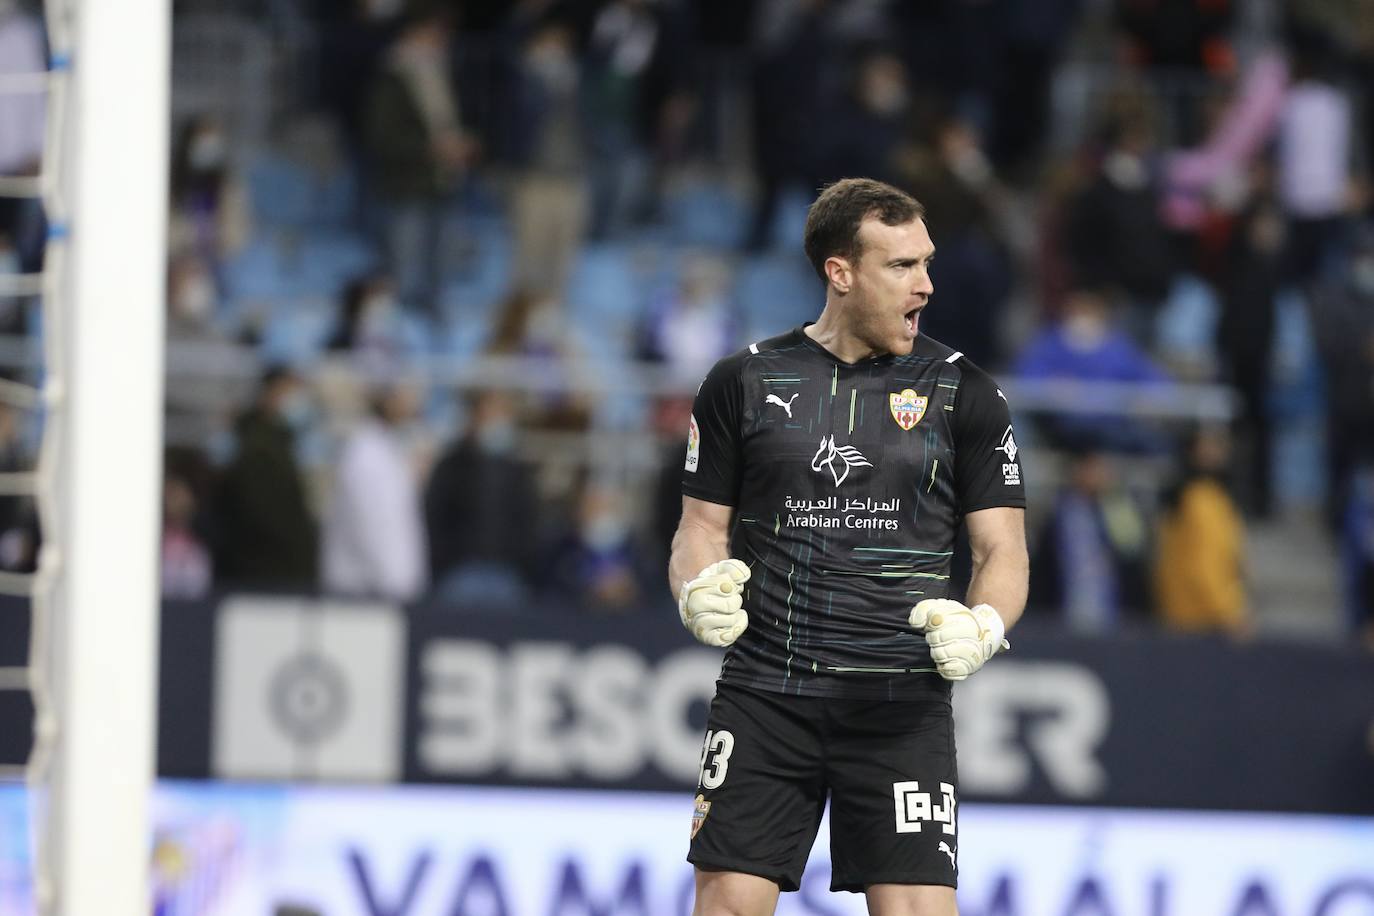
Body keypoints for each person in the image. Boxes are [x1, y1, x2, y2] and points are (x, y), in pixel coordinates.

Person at [669, 178, 1028, 915]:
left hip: (901, 704)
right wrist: (694, 587)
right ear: (841, 272)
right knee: (728, 904)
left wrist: (985, 622)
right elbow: (700, 528)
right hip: (766, 696)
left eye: (927, 263)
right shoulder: (742, 380)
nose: (926, 285)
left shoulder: (967, 393)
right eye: (902, 266)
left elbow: (1003, 553)